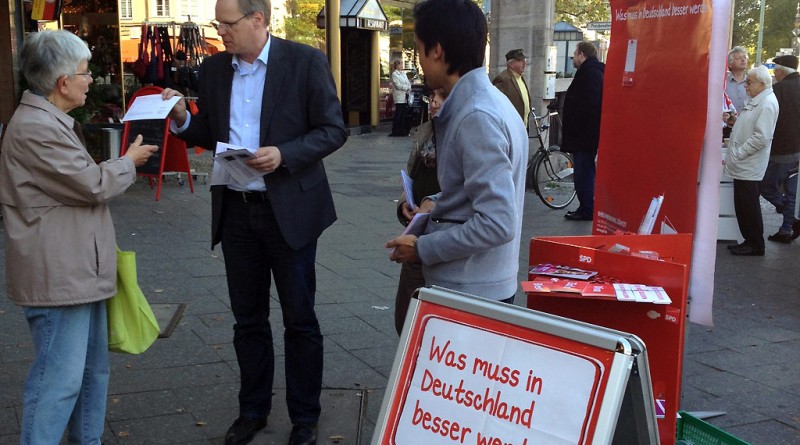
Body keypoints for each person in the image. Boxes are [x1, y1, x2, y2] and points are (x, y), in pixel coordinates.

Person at [161, 0, 347, 443]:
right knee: (248, 320)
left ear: (258, 20)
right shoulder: (213, 69)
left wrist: (285, 154)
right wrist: (185, 119)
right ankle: (253, 410)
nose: (220, 32)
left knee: (300, 319)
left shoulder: (305, 62)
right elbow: (211, 133)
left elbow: (332, 129)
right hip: (237, 211)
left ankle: (305, 417)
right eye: (218, 24)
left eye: (227, 24)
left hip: (290, 210)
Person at [0, 30, 156, 445]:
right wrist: (128, 162)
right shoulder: (36, 127)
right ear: (62, 82)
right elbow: (91, 185)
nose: (92, 79)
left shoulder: (45, 120)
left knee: (89, 372)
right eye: (85, 73)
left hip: (75, 271)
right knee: (59, 380)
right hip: (59, 276)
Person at [385, 0, 528, 305]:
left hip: (470, 291)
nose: (421, 64)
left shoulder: (476, 115)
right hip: (483, 284)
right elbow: (479, 192)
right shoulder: (492, 102)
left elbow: (497, 222)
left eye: (420, 49)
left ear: (436, 50)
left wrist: (422, 248)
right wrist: (436, 201)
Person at [393, 87, 446, 335]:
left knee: (432, 326)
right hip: (416, 233)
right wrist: (406, 202)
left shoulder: (461, 137)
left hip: (442, 239)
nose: (434, 103)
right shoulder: (426, 134)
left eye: (441, 97)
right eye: (432, 97)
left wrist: (435, 203)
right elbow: (413, 177)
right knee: (406, 318)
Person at [724, 65, 779, 256]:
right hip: (745, 164)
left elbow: (761, 137)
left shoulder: (767, 103)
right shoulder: (759, 100)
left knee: (749, 206)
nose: (746, 86)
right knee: (743, 205)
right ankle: (750, 240)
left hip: (749, 164)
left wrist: (739, 153)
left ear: (762, 84)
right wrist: (733, 123)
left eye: (750, 82)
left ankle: (755, 243)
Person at [561, 41, 604, 221]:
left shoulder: (589, 74)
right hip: (587, 136)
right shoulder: (597, 72)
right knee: (586, 173)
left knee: (583, 174)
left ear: (582, 55)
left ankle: (587, 208)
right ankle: (587, 206)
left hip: (584, 137)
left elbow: (589, 106)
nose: (573, 57)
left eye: (575, 54)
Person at [759, 55, 800, 243]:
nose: (774, 73)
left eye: (775, 69)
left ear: (781, 71)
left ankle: (790, 222)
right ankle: (786, 228)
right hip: (796, 149)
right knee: (793, 192)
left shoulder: (778, 90)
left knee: (766, 186)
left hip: (783, 149)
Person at [492, 48, 531, 127]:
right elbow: (495, 105)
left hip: (523, 125)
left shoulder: (520, 77)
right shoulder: (502, 79)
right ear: (511, 63)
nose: (524, 63)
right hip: (511, 127)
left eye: (524, 60)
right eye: (520, 61)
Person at [389, 59, 412, 137]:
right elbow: (397, 86)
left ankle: (402, 130)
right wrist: (406, 88)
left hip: (405, 96)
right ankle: (395, 130)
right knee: (398, 113)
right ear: (396, 66)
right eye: (400, 64)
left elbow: (408, 83)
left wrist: (408, 87)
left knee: (403, 114)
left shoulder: (403, 74)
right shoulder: (394, 74)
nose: (401, 66)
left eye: (402, 64)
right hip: (399, 97)